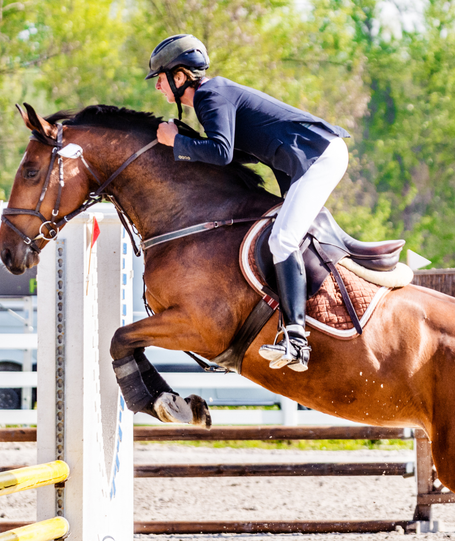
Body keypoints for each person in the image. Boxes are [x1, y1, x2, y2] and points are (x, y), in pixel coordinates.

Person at [146, 34, 351, 373]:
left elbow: (222, 154)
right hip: (310, 159)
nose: (158, 87)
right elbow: (231, 154)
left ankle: (297, 341)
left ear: (180, 76)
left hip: (320, 156)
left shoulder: (211, 95)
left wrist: (175, 141)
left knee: (282, 240)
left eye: (161, 78)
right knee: (283, 235)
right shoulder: (212, 97)